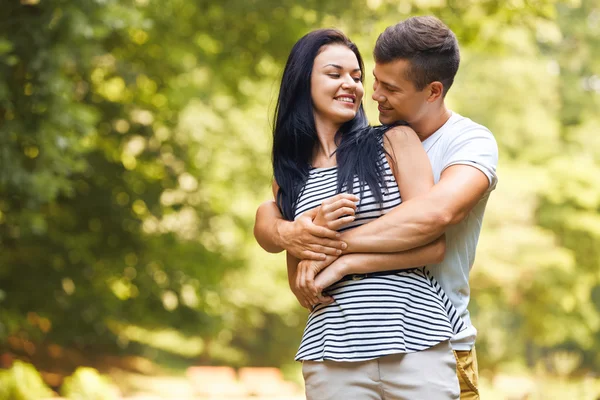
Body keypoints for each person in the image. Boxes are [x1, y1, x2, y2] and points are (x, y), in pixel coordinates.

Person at [254, 17, 498, 400]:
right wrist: (291, 230)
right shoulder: (291, 177)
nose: (367, 91)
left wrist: (339, 256)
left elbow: (435, 228)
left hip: (429, 334)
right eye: (371, 81)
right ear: (303, 82)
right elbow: (300, 273)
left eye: (359, 76)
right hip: (331, 349)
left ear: (432, 91)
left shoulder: (427, 141)